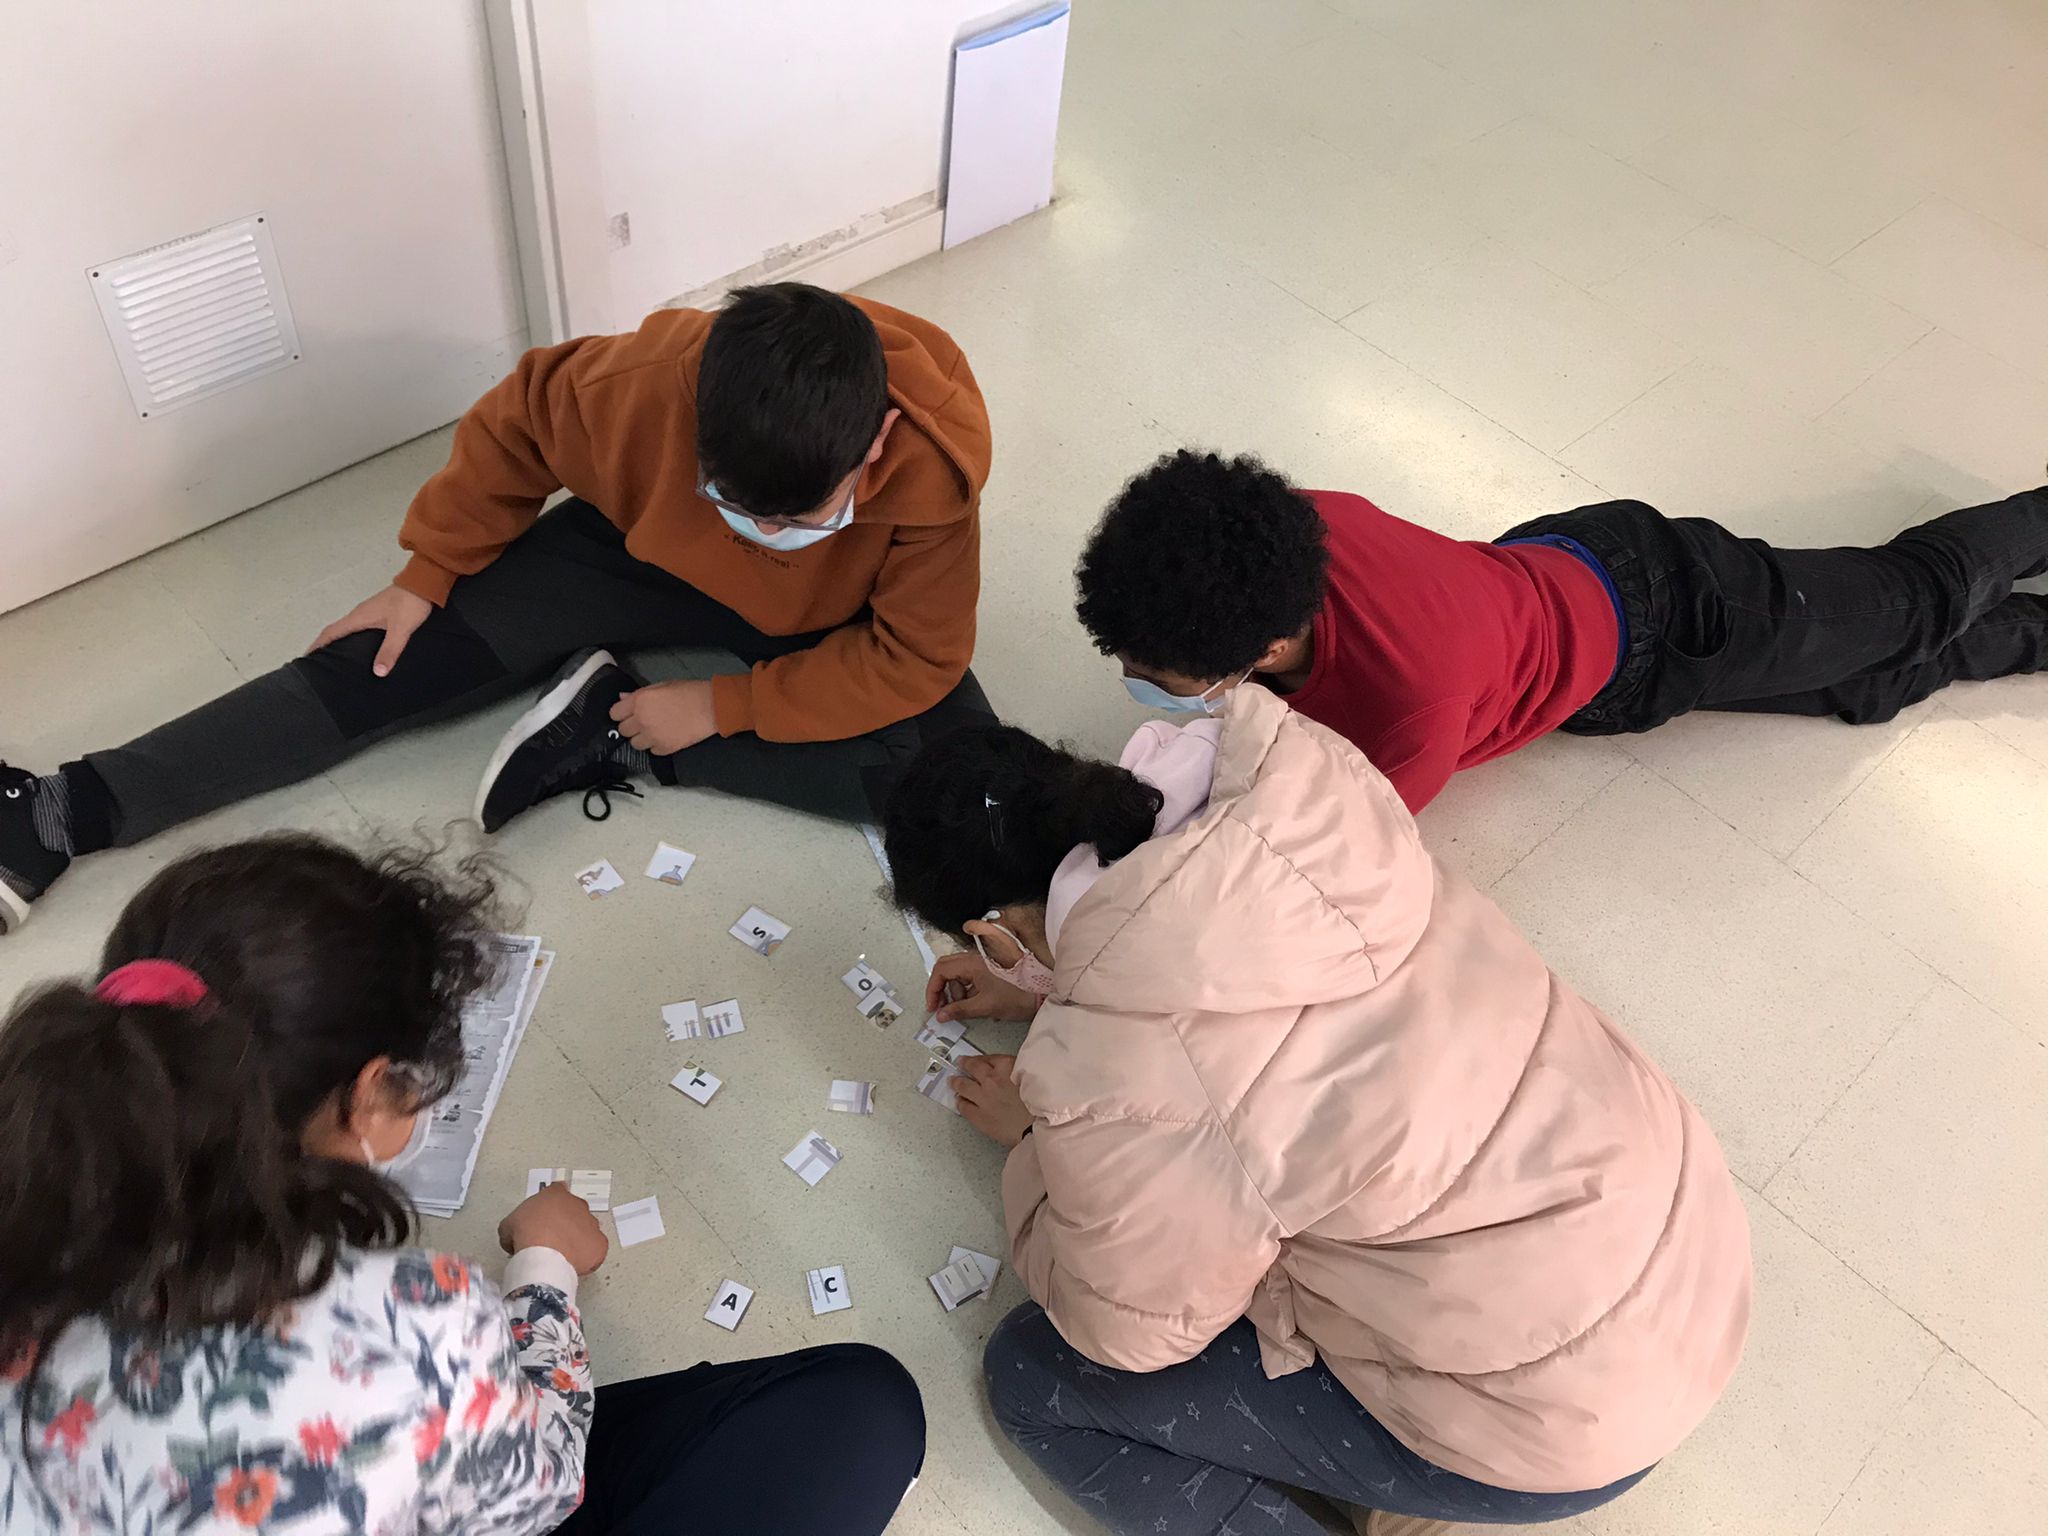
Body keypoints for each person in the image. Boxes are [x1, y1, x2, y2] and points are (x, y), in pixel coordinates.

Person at [885, 687, 1752, 1535]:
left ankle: (1430, 1482)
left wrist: (1035, 1138)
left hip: (1565, 1414)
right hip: (1693, 1254)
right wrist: (1053, 982)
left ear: (993, 933)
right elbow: (1240, 992)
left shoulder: (1113, 1072)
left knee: (1035, 1379)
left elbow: (1130, 1330)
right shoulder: (1297, 801)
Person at [0, 281, 994, 935]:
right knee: (387, 656)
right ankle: (57, 810)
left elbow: (917, 659)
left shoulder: (930, 472)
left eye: (795, 516)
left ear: (876, 446)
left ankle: (613, 736)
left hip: (821, 616)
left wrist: (719, 708)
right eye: (735, 500)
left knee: (970, 794)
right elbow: (516, 422)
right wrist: (429, 571)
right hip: (628, 558)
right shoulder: (642, 384)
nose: (761, 530)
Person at [0, 834, 925, 1534]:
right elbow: (547, 1484)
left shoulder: (30, 1196)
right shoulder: (415, 1325)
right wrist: (545, 1270)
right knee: (863, 1410)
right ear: (371, 1095)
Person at [1073, 448, 2048, 813]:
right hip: (1557, 565)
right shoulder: (1282, 527)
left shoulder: (1406, 710)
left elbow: (1328, 853)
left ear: (1264, 651)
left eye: (1158, 673)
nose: (1138, 683)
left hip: (1680, 616)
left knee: (1915, 598)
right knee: (1869, 682)